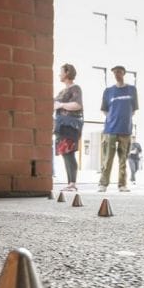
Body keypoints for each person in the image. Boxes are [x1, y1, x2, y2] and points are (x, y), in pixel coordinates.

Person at [98, 65, 138, 192]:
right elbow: (104, 109)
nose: (116, 74)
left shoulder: (132, 89)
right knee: (107, 159)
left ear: (124, 73)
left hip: (125, 129)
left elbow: (133, 110)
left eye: (119, 72)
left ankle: (122, 185)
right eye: (114, 72)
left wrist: (124, 119)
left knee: (123, 160)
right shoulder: (108, 91)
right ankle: (103, 184)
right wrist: (111, 118)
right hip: (110, 129)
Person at [53, 63, 84, 192]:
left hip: (71, 125)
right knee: (65, 153)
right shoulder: (61, 91)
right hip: (61, 125)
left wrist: (60, 105)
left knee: (69, 153)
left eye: (61, 72)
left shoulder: (75, 88)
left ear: (67, 73)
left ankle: (72, 183)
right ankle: (70, 183)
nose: (59, 74)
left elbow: (77, 105)